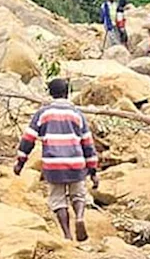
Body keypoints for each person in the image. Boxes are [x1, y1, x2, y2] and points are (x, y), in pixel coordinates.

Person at [14, 78, 99, 242]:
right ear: (67, 93)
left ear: (50, 94)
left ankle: (67, 234)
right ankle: (80, 217)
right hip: (76, 163)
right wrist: (93, 170)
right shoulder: (77, 114)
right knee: (79, 194)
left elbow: (28, 139)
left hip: (53, 164)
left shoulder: (43, 113)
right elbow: (88, 143)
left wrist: (20, 162)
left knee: (57, 198)